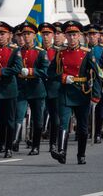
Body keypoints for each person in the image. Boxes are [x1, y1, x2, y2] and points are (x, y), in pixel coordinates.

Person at [49, 20, 103, 164]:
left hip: (82, 92)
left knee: (83, 127)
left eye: (74, 35)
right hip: (65, 91)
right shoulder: (60, 53)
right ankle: (61, 152)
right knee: (63, 122)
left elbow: (99, 75)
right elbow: (50, 72)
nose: (72, 38)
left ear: (79, 36)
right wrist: (62, 77)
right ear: (65, 36)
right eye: (69, 35)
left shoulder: (86, 53)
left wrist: (96, 95)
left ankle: (81, 154)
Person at [13, 21, 49, 155]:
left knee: (37, 118)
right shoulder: (17, 51)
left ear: (34, 35)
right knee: (18, 114)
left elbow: (45, 71)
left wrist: (31, 71)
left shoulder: (40, 52)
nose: (25, 37)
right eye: (23, 34)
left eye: (28, 34)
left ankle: (35, 146)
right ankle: (15, 141)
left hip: (36, 88)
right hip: (21, 87)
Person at [0, 21, 22, 158]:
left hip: (9, 88)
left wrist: (1, 72)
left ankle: (8, 147)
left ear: (9, 35)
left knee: (9, 119)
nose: (0, 36)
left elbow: (17, 68)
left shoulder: (14, 50)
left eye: (2, 33)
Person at [84, 24, 103, 143]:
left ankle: (97, 133)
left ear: (98, 36)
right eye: (89, 34)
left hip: (100, 81)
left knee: (100, 110)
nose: (92, 37)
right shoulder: (83, 49)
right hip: (85, 81)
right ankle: (86, 131)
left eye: (94, 34)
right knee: (85, 109)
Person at [39, 22, 61, 152]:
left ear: (52, 35)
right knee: (37, 116)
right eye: (44, 34)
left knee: (55, 117)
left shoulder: (58, 51)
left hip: (54, 88)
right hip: (39, 87)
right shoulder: (37, 50)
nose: (46, 37)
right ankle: (34, 140)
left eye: (48, 34)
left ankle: (53, 143)